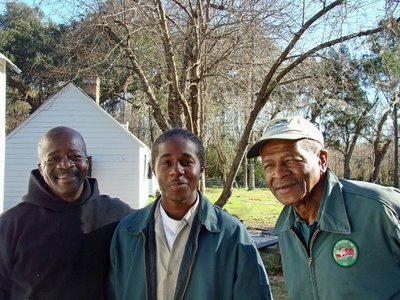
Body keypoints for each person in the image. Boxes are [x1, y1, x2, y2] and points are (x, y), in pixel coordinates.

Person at [108, 128, 272, 300]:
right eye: (166, 163)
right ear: (154, 170)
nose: (176, 170)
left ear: (201, 170)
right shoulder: (127, 232)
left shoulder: (231, 234)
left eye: (186, 162)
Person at [247, 116, 400, 299]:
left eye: (291, 160)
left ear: (322, 160)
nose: (279, 173)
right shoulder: (287, 227)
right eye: (269, 165)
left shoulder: (380, 209)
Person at [0, 126, 132, 300]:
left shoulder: (118, 215)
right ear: (41, 168)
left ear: (87, 162)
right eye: (53, 158)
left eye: (74, 156)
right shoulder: (11, 225)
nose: (65, 164)